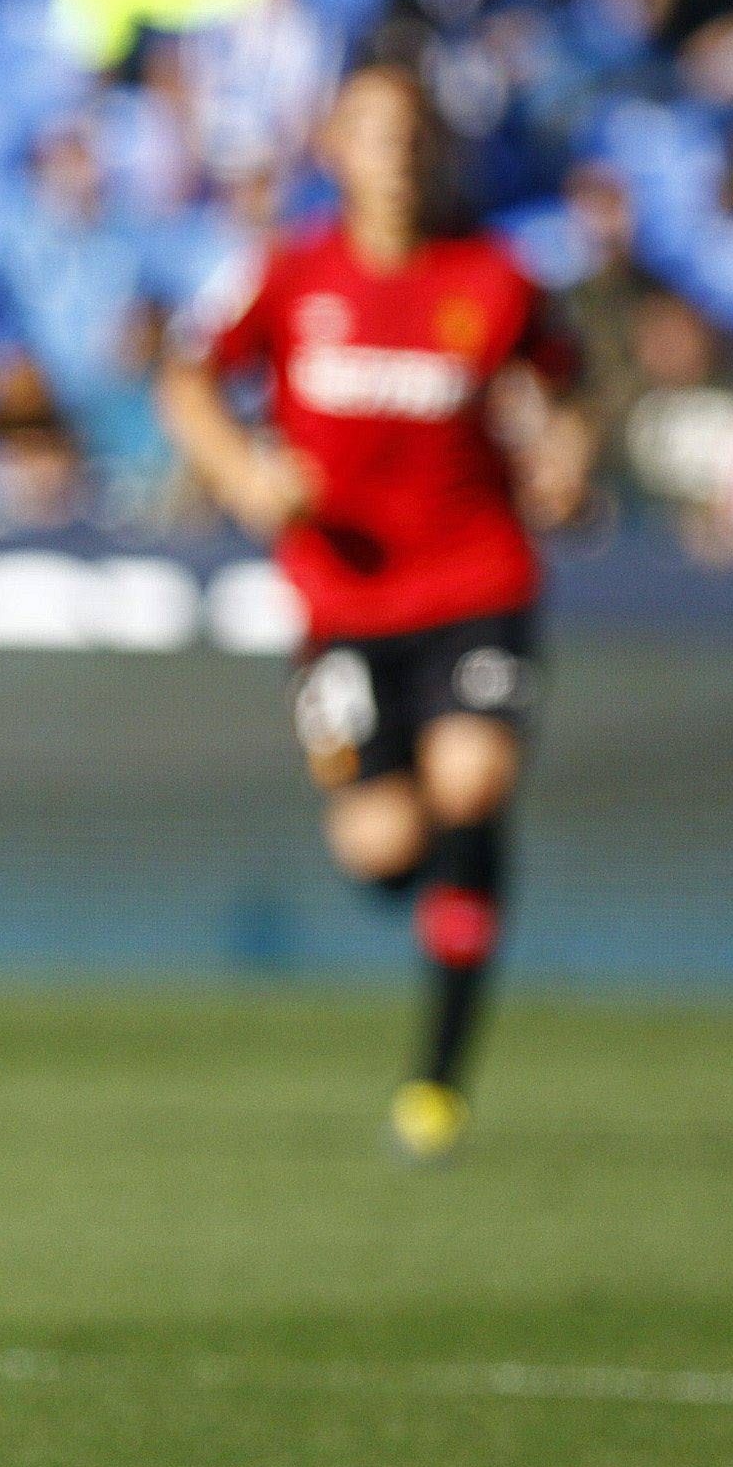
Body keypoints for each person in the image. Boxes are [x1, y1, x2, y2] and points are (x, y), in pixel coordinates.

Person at [160, 63, 583, 1161]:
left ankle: (437, 1077)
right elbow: (187, 378)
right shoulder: (290, 274)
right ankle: (449, 883)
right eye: (371, 132)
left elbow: (570, 381)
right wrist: (245, 471)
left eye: (411, 133)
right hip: (339, 601)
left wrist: (568, 458)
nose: (393, 152)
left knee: (473, 779)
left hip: (473, 579)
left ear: (434, 150)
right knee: (383, 846)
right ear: (334, 149)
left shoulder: (493, 277)